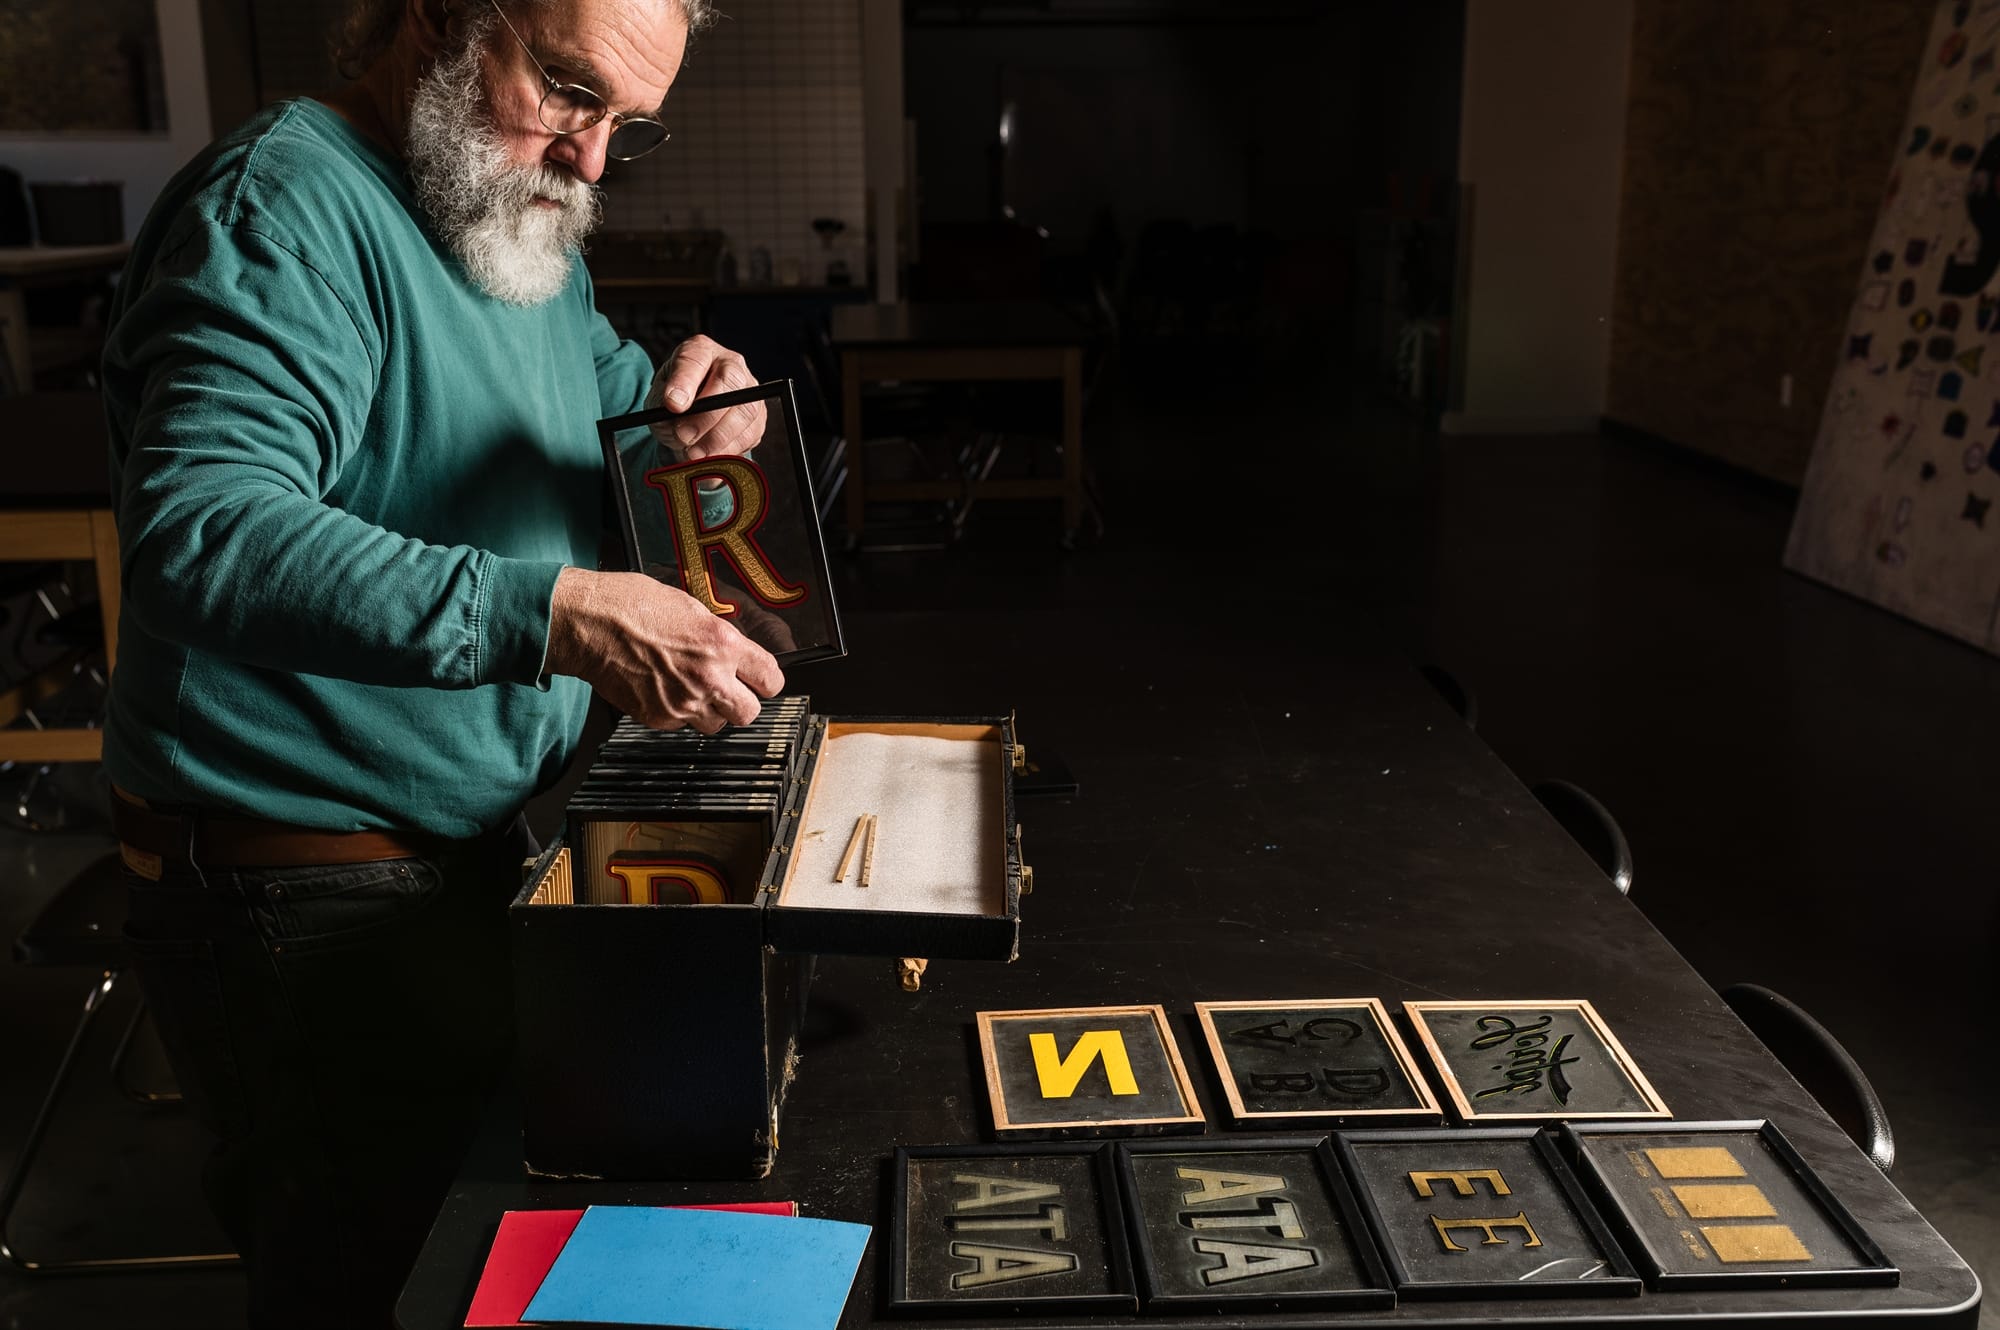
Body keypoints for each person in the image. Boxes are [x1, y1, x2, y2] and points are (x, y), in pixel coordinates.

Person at [97, 0, 774, 1323]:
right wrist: (565, 617)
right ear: (436, 20)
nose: (590, 159)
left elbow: (599, 435)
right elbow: (203, 530)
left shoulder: (507, 207)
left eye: (624, 125)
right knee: (381, 1287)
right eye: (572, 93)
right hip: (303, 890)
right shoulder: (285, 206)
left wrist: (693, 426)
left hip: (451, 853)